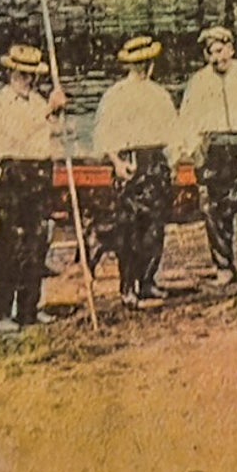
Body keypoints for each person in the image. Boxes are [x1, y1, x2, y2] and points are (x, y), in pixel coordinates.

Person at [177, 25, 237, 285]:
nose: (217, 58)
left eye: (221, 51)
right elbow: (187, 120)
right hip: (216, 151)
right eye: (211, 53)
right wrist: (194, 152)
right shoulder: (198, 83)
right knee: (217, 212)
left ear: (231, 49)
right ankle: (224, 268)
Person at [91, 35, 179, 309]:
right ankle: (128, 287)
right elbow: (103, 136)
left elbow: (173, 134)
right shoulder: (115, 95)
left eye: (145, 62)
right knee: (129, 227)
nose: (142, 67)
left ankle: (148, 281)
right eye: (137, 63)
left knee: (155, 227)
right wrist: (116, 162)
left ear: (151, 64)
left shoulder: (159, 94)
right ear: (130, 65)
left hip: (155, 159)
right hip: (129, 160)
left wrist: (172, 163)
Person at [0, 42, 68, 334]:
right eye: (22, 74)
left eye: (31, 75)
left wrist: (57, 116)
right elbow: (19, 135)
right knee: (11, 245)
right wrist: (48, 109)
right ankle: (0, 314)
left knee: (37, 243)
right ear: (10, 72)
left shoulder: (37, 102)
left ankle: (29, 309)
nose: (28, 80)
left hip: (39, 175)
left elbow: (52, 135)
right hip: (14, 174)